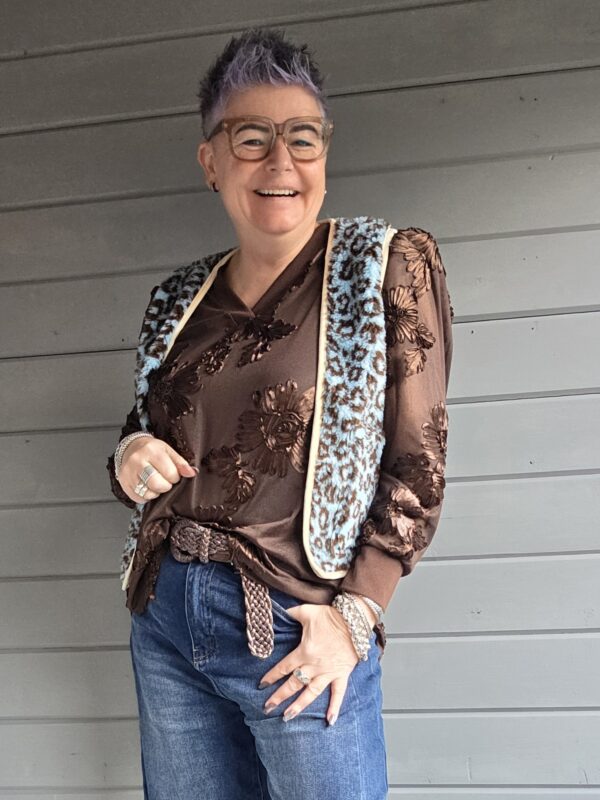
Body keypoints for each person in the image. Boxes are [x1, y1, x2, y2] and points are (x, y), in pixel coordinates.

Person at [106, 27, 454, 800]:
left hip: (297, 629)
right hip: (166, 621)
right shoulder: (178, 299)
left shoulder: (382, 267)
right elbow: (144, 428)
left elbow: (419, 461)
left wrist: (355, 617)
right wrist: (131, 456)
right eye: (252, 139)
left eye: (302, 138)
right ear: (211, 161)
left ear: (324, 151)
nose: (281, 163)